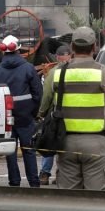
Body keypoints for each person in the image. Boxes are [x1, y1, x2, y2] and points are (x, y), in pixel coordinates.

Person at [38, 26, 105, 191]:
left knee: (70, 201)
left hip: (66, 143)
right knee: (96, 202)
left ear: (72, 47)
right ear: (95, 47)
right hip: (97, 143)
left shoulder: (56, 73)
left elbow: (44, 106)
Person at [0, 35, 42, 188]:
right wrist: (34, 113)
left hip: (6, 120)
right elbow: (38, 93)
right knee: (29, 150)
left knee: (10, 152)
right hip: (26, 118)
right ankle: (34, 183)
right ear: (18, 50)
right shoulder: (28, 68)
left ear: (3, 51)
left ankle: (14, 182)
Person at [40, 44, 72, 186]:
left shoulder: (53, 73)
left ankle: (45, 173)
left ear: (57, 57)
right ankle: (61, 175)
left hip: (56, 114)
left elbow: (46, 96)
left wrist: (41, 113)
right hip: (74, 114)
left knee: (50, 141)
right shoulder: (77, 71)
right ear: (71, 56)